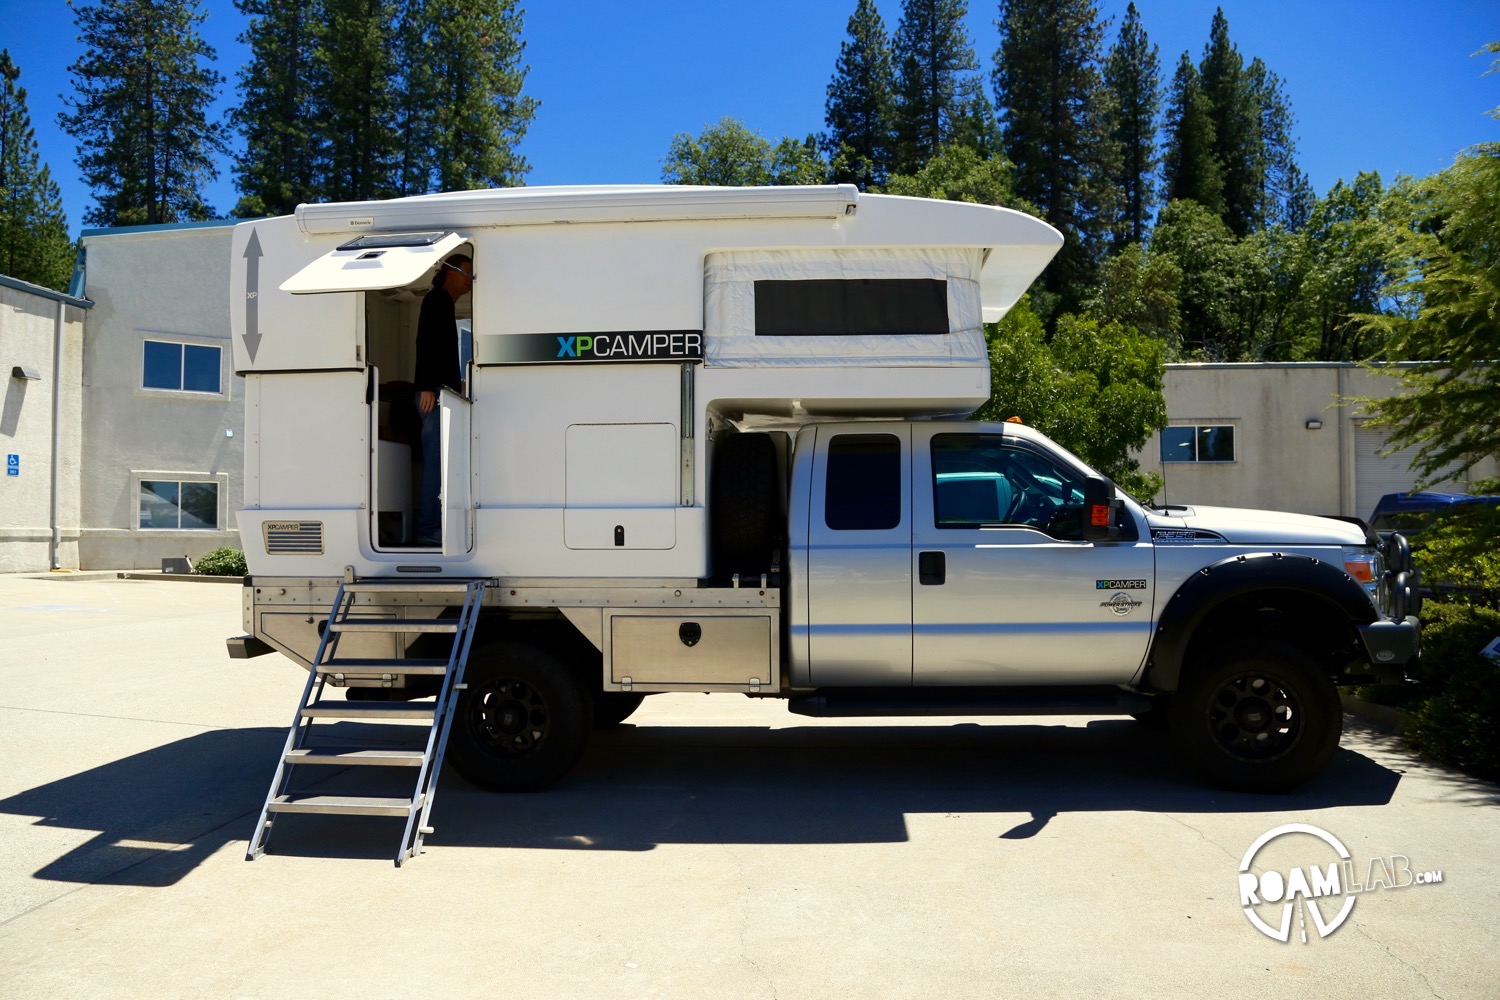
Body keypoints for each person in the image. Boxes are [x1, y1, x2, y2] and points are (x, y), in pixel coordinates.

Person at [412, 253, 473, 545]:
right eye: (466, 273)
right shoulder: (436, 300)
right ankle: (427, 530)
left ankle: (433, 527)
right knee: (436, 464)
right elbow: (425, 343)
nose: (469, 280)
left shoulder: (445, 303)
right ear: (451, 272)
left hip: (441, 392)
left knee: (441, 464)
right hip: (433, 394)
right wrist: (426, 386)